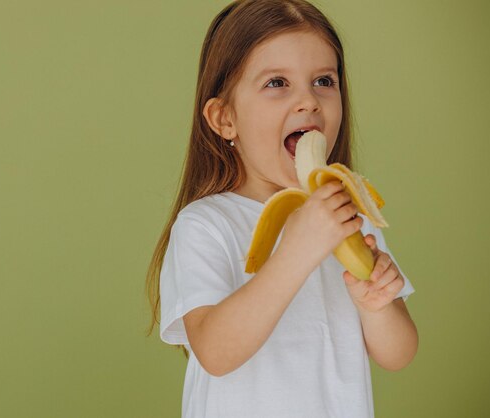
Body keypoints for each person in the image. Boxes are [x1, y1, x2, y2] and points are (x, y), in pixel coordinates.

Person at [145, 0, 419, 416]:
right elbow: (215, 354)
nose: (308, 101)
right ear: (224, 119)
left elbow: (399, 354)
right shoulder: (205, 224)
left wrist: (376, 303)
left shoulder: (348, 215)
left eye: (324, 81)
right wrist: (297, 251)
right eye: (277, 83)